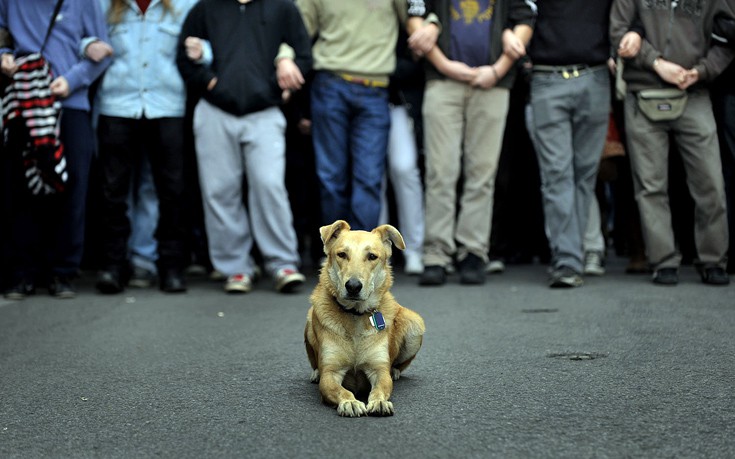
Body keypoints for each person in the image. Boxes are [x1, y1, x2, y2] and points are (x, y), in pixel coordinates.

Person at [176, 0, 312, 294]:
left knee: (269, 185)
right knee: (220, 190)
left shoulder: (283, 8)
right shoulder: (205, 9)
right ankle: (235, 268)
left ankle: (282, 263)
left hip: (264, 112)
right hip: (215, 112)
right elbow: (183, 57)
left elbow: (304, 56)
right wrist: (210, 82)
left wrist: (281, 85)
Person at [610, 0, 735, 286]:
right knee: (650, 185)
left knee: (710, 181)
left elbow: (730, 37)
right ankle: (663, 260)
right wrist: (656, 62)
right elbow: (617, 31)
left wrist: (703, 70)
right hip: (643, 90)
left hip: (694, 90)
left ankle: (713, 260)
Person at [416, 0, 536, 286]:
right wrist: (446, 66)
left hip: (492, 82)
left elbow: (525, 18)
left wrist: (497, 70)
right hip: (442, 80)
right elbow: (415, 14)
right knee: (440, 171)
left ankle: (473, 251)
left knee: (482, 172)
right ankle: (437, 254)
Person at [288, 0, 434, 232]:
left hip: (375, 89)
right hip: (330, 84)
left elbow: (415, 13)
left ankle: (361, 258)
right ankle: (337, 255)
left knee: (369, 179)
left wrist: (434, 24)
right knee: (331, 179)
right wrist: (284, 57)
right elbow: (297, 29)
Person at [0, 0, 111, 299]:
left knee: (72, 183)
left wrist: (72, 80)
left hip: (70, 102)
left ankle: (63, 272)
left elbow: (103, 53)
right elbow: (3, 36)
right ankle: (22, 272)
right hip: (24, 102)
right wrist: (4, 56)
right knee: (21, 188)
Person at [91, 0, 198, 295]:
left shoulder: (184, 5)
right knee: (113, 190)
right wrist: (87, 45)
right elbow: (79, 36)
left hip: (166, 105)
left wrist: (204, 52)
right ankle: (113, 266)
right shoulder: (103, 4)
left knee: (171, 190)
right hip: (117, 104)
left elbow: (207, 41)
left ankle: (171, 267)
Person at [525, 0, 628, 288]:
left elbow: (624, 13)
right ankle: (568, 259)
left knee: (584, 174)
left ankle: (572, 255)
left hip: (594, 76)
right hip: (547, 77)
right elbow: (518, 13)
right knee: (558, 174)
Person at [380, 28, 426, 275]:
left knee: (405, 168)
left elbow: (417, 62)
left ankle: (414, 249)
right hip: (367, 97)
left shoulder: (404, 11)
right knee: (371, 176)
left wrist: (383, 65)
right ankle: (378, 253)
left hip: (399, 102)